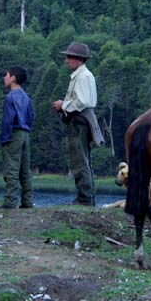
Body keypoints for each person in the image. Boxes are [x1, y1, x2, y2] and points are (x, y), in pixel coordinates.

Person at [52, 42, 104, 206]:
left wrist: (63, 105)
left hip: (79, 122)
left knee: (79, 161)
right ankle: (87, 198)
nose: (66, 60)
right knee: (82, 159)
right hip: (81, 121)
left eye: (70, 57)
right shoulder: (84, 75)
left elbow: (82, 102)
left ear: (79, 59)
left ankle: (85, 199)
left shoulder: (82, 76)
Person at [0, 66, 34, 209]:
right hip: (25, 133)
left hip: (14, 133)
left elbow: (8, 120)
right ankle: (27, 201)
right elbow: (31, 116)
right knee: (25, 169)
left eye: (6, 75)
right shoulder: (26, 96)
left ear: (13, 78)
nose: (4, 77)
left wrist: (4, 138)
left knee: (11, 168)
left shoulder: (10, 97)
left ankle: (10, 202)